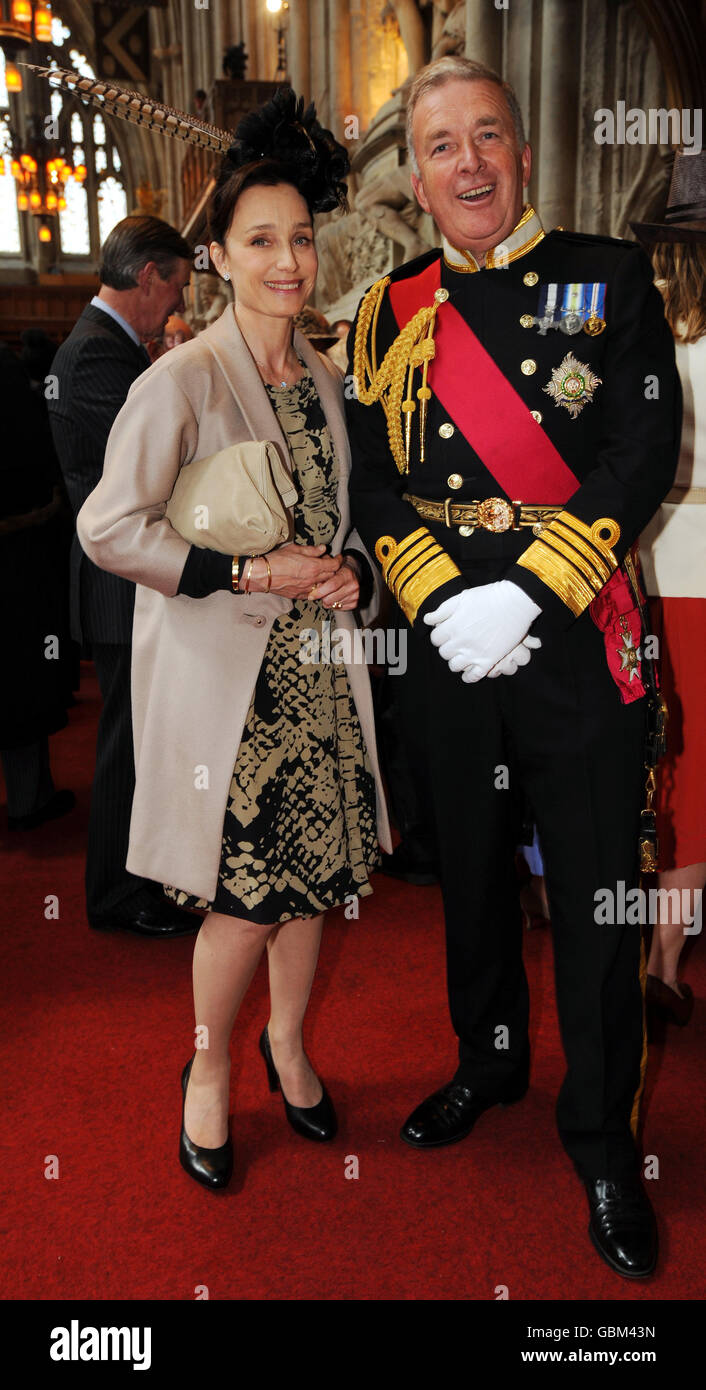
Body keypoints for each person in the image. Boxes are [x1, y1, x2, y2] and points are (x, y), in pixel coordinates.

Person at [346, 55, 681, 1279]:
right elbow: (374, 482)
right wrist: (439, 597)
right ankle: (487, 1059)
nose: (469, 163)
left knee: (595, 891)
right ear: (416, 176)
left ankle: (601, 1136)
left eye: (487, 136)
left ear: (523, 153)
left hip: (570, 636)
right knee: (473, 875)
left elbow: (643, 451)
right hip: (447, 643)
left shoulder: (607, 276)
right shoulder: (388, 309)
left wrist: (527, 589)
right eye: (442, 145)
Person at [75, 89, 390, 1192]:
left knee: (311, 886)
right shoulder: (182, 377)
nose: (289, 259)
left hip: (320, 680)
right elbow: (108, 526)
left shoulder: (330, 380)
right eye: (262, 240)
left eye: (301, 237)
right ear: (216, 253)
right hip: (230, 688)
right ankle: (207, 1073)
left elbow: (341, 524)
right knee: (244, 901)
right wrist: (245, 570)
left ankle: (289, 1044)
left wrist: (352, 569)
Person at [48, 215, 197, 938]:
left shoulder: (108, 346)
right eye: (177, 289)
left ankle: (137, 880)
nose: (178, 307)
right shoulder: (97, 355)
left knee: (139, 738)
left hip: (123, 579)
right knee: (126, 746)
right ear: (149, 277)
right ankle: (114, 894)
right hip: (116, 582)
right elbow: (150, 467)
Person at [633, 152, 706, 1032]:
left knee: (658, 765)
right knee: (696, 774)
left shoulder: (641, 329)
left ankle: (638, 947)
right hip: (703, 580)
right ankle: (664, 959)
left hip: (643, 569)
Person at [0, 340, 75, 830]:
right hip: (15, 559)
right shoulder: (8, 380)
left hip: (17, 549)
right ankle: (28, 798)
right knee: (17, 679)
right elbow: (40, 458)